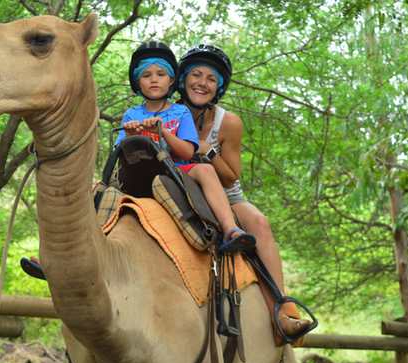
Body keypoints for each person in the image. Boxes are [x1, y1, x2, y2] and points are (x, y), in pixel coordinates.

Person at [177, 44, 311, 337]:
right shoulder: (168, 113)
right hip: (181, 190)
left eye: (211, 78)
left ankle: (282, 309)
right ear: (183, 79)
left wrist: (205, 151)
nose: (202, 82)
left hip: (226, 197)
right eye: (196, 75)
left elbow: (230, 176)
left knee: (259, 222)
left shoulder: (229, 123)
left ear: (219, 86)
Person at [115, 41, 253, 250]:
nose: (154, 80)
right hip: (141, 174)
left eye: (160, 75)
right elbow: (119, 155)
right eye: (146, 75)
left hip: (177, 169)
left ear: (171, 81)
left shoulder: (180, 113)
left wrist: (164, 133)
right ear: (138, 83)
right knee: (94, 188)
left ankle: (230, 229)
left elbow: (188, 151)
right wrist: (131, 136)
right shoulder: (131, 114)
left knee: (205, 169)